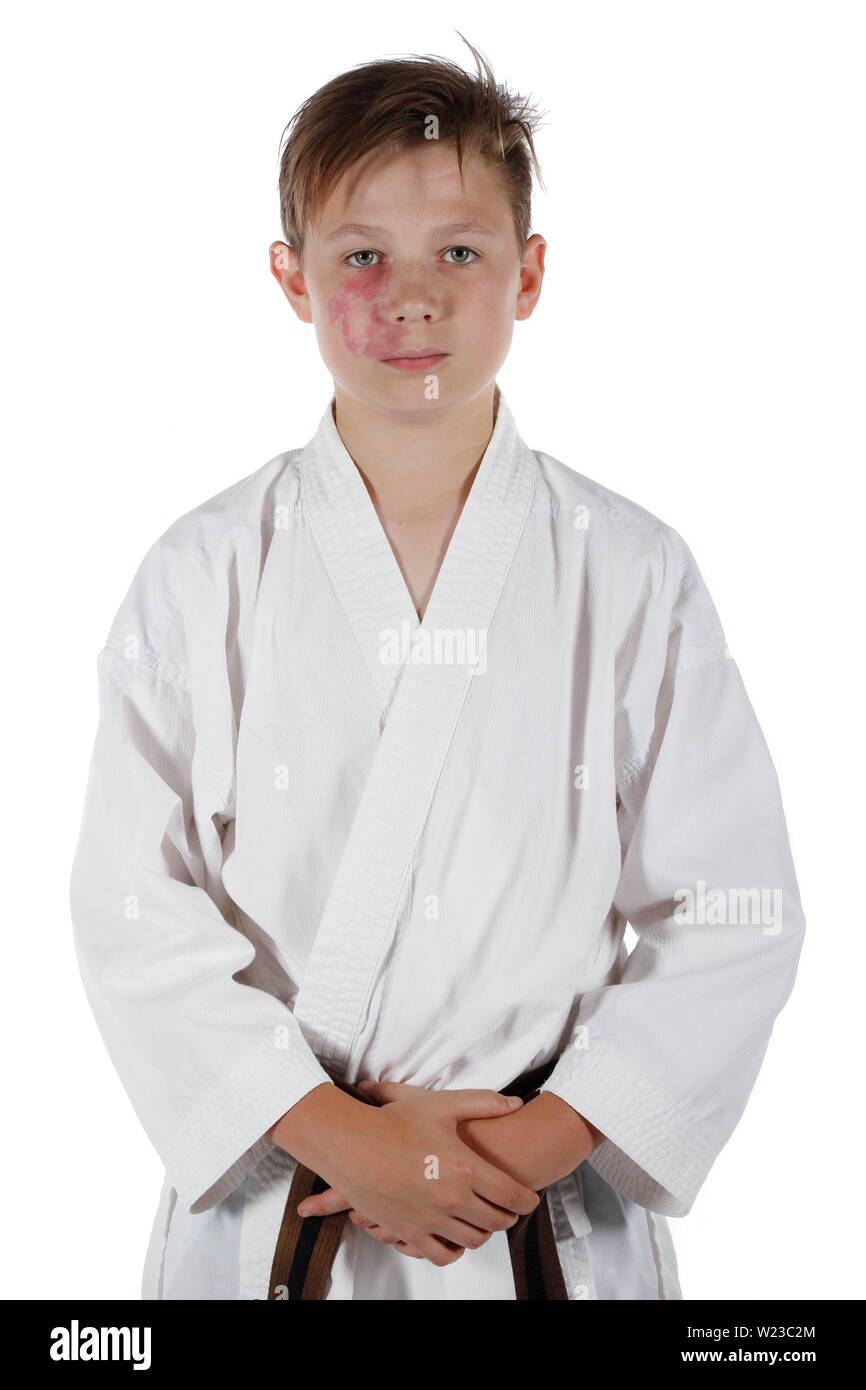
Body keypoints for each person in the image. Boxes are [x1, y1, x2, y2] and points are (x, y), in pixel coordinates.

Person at [69, 37, 805, 1301]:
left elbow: (731, 906)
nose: (410, 299)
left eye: (457, 253)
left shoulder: (628, 571)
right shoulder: (203, 572)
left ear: (527, 275)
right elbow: (130, 907)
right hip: (285, 1195)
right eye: (362, 256)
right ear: (291, 279)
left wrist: (541, 1138)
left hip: (532, 1211)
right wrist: (338, 1129)